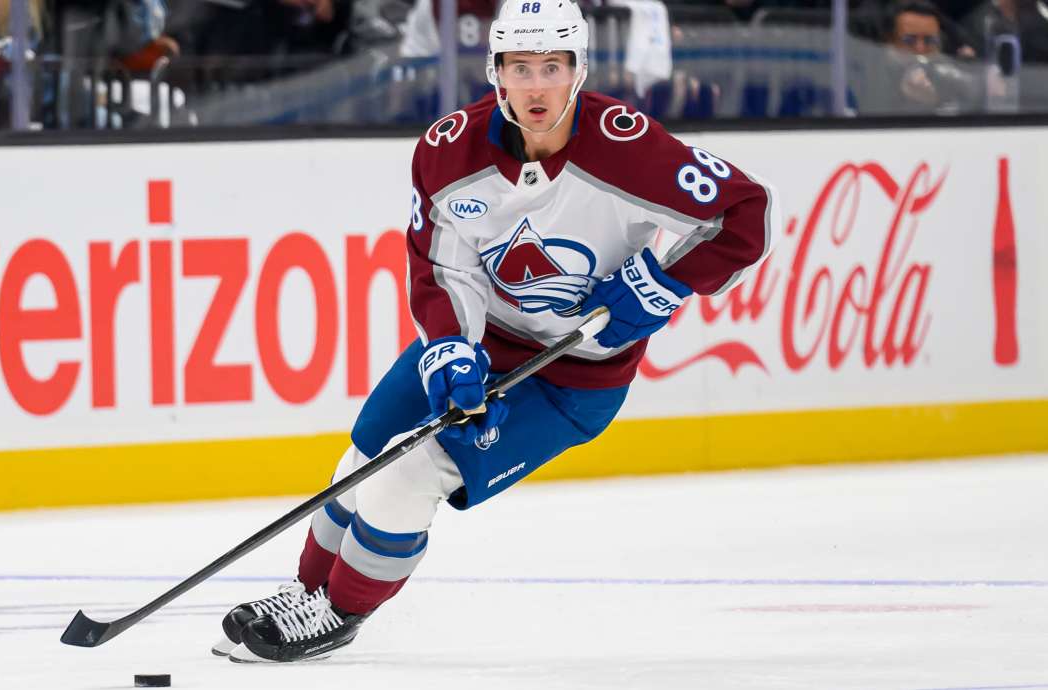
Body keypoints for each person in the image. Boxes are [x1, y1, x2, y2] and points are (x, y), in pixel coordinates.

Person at [214, 0, 780, 664]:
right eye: (519, 67)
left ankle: (337, 612)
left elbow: (744, 212)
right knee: (364, 457)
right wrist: (453, 346)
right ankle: (306, 592)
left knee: (409, 476)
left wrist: (659, 281)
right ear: (496, 72)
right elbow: (440, 264)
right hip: (488, 339)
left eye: (552, 67)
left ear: (578, 70)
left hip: (573, 376)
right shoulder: (448, 151)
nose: (536, 86)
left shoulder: (630, 148)